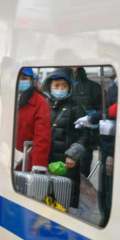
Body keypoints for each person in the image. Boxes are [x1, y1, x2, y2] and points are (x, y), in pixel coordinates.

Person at [42, 68, 90, 207]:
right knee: (44, 198)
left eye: (64, 86)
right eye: (56, 85)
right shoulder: (43, 105)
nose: (60, 89)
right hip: (45, 162)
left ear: (70, 87)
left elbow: (85, 134)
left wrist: (73, 155)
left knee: (65, 200)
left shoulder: (76, 108)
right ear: (49, 86)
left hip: (67, 165)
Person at [14, 68, 51, 172]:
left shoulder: (40, 103)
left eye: (24, 78)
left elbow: (42, 137)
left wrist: (39, 163)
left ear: (32, 80)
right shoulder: (7, 98)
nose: (20, 81)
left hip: (26, 159)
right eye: (18, 78)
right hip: (4, 157)